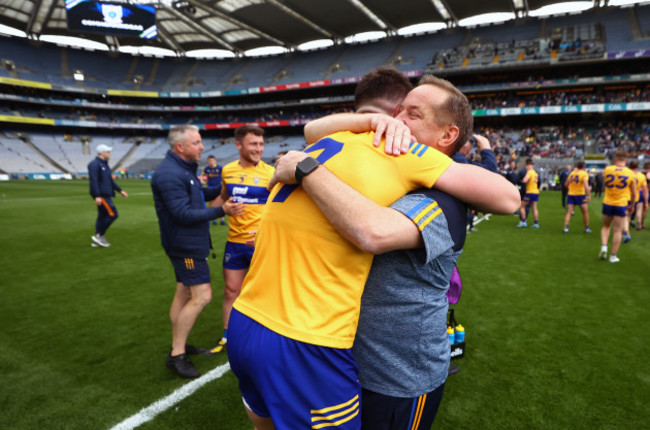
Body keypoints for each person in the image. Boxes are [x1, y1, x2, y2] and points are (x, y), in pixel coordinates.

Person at [226, 71, 520, 429]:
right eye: (397, 111)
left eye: (413, 115)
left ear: (448, 135)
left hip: (396, 373)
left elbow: (372, 231)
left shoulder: (431, 182)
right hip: (329, 347)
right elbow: (313, 131)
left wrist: (304, 167)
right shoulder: (377, 148)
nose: (396, 121)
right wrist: (368, 120)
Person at [151, 125, 243, 378]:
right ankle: (177, 355)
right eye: (196, 143)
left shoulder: (182, 170)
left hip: (186, 243)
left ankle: (177, 345)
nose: (202, 147)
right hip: (185, 245)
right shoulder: (170, 174)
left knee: (183, 292)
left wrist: (222, 190)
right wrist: (222, 210)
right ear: (180, 147)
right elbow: (182, 213)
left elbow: (197, 195)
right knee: (202, 296)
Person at [209, 125, 274, 355]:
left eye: (261, 144)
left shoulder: (271, 173)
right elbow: (223, 197)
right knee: (230, 291)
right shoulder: (227, 171)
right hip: (234, 242)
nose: (259, 149)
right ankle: (227, 336)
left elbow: (280, 208)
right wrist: (211, 213)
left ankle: (266, 333)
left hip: (261, 243)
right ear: (239, 145)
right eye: (253, 144)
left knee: (265, 292)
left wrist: (267, 232)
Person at [452, 134, 498, 231]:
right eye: (471, 145)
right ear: (464, 146)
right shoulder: (458, 159)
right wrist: (486, 148)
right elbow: (491, 171)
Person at [599, 150, 636, 263]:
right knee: (617, 231)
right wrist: (632, 205)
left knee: (606, 226)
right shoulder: (630, 173)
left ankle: (604, 246)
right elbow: (634, 193)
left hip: (608, 202)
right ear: (626, 160)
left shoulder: (608, 169)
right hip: (621, 203)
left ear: (615, 159)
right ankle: (613, 256)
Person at [87, 143, 128, 247]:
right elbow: (94, 181)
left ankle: (97, 239)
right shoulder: (94, 164)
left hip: (106, 195)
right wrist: (97, 195)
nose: (110, 153)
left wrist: (120, 190)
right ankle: (99, 236)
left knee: (102, 216)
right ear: (101, 152)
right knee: (112, 214)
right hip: (102, 195)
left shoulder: (105, 164)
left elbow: (109, 181)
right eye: (108, 151)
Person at [563, 160, 592, 233]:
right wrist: (588, 195)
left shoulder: (572, 173)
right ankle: (587, 228)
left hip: (571, 194)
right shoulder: (584, 174)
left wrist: (571, 189)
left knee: (569, 212)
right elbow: (586, 186)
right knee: (585, 212)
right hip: (580, 195)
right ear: (584, 167)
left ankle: (566, 228)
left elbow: (566, 184)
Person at [517, 158, 540, 228]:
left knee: (521, 206)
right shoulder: (535, 173)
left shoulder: (529, 172)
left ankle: (523, 222)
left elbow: (525, 180)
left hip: (530, 192)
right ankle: (536, 223)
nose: (526, 168)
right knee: (534, 208)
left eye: (527, 166)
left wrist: (521, 181)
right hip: (536, 192)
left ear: (528, 166)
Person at [202, 155, 225, 225]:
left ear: (215, 160)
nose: (211, 162)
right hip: (210, 187)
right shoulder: (206, 169)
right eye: (209, 160)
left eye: (212, 160)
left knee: (221, 202)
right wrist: (204, 181)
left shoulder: (220, 168)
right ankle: (214, 220)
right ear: (207, 161)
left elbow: (224, 175)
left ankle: (222, 220)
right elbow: (202, 176)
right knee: (212, 203)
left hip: (218, 187)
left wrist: (223, 182)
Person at [629, 160, 648, 231]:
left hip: (629, 195)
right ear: (637, 167)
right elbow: (645, 190)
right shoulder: (641, 175)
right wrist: (646, 202)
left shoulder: (627, 173)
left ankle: (625, 229)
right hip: (638, 193)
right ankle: (639, 224)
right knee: (639, 210)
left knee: (628, 212)